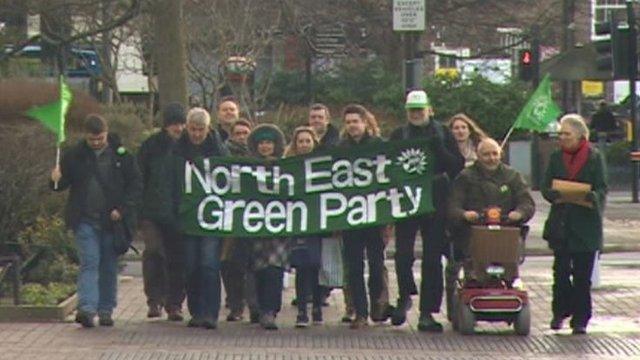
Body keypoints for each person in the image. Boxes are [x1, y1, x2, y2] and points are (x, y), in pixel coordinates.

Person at [50, 114, 142, 328]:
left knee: (108, 265)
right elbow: (62, 185)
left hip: (112, 221)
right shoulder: (74, 156)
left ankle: (106, 309)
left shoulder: (123, 156)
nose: (96, 143)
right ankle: (87, 308)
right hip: (85, 219)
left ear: (106, 133)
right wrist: (55, 179)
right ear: (86, 136)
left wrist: (123, 209)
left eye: (100, 139)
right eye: (92, 139)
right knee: (89, 262)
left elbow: (135, 185)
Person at [389, 90, 465, 332]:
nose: (416, 114)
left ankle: (427, 312)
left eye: (420, 110)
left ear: (429, 109)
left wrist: (440, 149)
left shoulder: (442, 132)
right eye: (412, 110)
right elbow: (387, 166)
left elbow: (457, 166)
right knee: (402, 254)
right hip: (408, 200)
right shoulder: (399, 134)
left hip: (436, 201)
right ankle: (404, 295)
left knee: (432, 259)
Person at [541, 114, 608, 335]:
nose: (562, 137)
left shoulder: (594, 157)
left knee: (582, 276)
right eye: (560, 133)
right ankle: (560, 312)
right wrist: (554, 193)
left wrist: (591, 197)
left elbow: (602, 187)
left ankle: (580, 319)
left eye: (566, 134)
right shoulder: (555, 157)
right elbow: (545, 186)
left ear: (580, 135)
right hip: (561, 224)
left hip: (586, 226)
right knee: (560, 272)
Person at [172, 107, 229, 329]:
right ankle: (196, 311)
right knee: (191, 265)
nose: (196, 134)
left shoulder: (219, 151)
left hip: (210, 217)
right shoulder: (177, 151)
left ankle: (210, 312)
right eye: (193, 129)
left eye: (201, 130)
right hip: (187, 216)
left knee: (209, 264)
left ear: (208, 128)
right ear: (187, 128)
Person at [448, 138, 535, 279]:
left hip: (506, 233)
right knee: (473, 274)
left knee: (510, 275)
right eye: (486, 155)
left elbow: (527, 203)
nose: (491, 158)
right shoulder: (465, 177)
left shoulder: (512, 176)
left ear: (501, 154)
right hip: (473, 234)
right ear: (478, 155)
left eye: (495, 154)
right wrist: (464, 214)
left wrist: (519, 213)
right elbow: (453, 206)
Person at [337, 104, 390, 329]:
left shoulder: (379, 145)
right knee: (354, 267)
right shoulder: (340, 148)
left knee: (377, 266)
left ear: (365, 123)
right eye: (348, 122)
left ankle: (378, 303)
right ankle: (360, 311)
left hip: (375, 215)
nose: (352, 126)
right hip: (350, 217)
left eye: (355, 122)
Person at [138, 102, 187, 321]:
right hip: (153, 212)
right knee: (154, 251)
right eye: (174, 124)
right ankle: (154, 299)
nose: (178, 128)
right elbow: (139, 178)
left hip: (180, 213)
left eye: (181, 123)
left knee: (178, 259)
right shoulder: (151, 147)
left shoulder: (187, 146)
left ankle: (174, 303)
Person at [444, 112, 488, 321]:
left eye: (463, 127)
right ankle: (453, 308)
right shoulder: (446, 151)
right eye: (456, 128)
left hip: (478, 211)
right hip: (455, 211)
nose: (459, 131)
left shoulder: (481, 152)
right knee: (453, 262)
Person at [247, 123, 289, 330]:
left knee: (274, 268)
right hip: (253, 226)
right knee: (257, 269)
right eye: (261, 143)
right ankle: (258, 306)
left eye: (269, 143)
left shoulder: (287, 168)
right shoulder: (245, 168)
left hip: (278, 227)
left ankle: (270, 310)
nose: (265, 147)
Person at [285, 126, 324, 328]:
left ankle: (317, 306)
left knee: (316, 265)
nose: (304, 145)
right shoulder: (288, 166)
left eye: (308, 141)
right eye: (300, 141)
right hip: (298, 222)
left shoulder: (323, 165)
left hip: (318, 222)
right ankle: (302, 310)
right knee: (301, 266)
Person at [220, 117, 255, 322]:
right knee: (229, 263)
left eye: (245, 133)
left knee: (251, 264)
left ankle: (253, 304)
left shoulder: (258, 154)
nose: (242, 137)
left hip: (253, 217)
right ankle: (235, 305)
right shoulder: (223, 155)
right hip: (229, 217)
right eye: (238, 133)